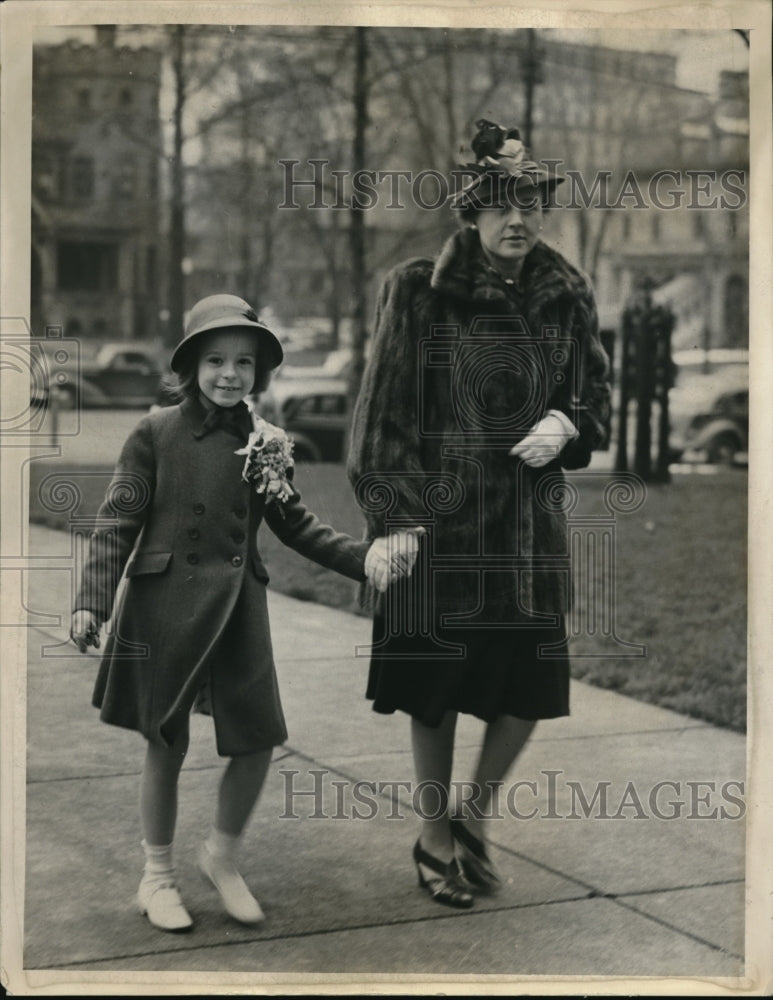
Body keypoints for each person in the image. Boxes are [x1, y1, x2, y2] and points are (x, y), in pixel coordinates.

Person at [70, 293, 421, 933]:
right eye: (215, 360)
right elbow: (117, 521)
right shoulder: (154, 433)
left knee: (258, 738)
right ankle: (157, 877)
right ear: (190, 365)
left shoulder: (266, 442)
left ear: (259, 372)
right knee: (166, 740)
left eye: (244, 363)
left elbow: (295, 524)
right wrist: (91, 600)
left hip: (238, 609)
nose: (230, 374)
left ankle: (222, 857)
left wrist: (365, 559)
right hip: (166, 604)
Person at [347, 120, 611, 908]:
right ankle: (433, 834)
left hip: (527, 536)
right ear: (470, 210)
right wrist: (394, 517)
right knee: (432, 690)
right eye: (500, 204)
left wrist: (571, 424)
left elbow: (594, 391)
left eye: (529, 202)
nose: (516, 219)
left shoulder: (565, 290)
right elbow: (380, 416)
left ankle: (471, 817)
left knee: (526, 692)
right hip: (439, 531)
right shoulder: (418, 288)